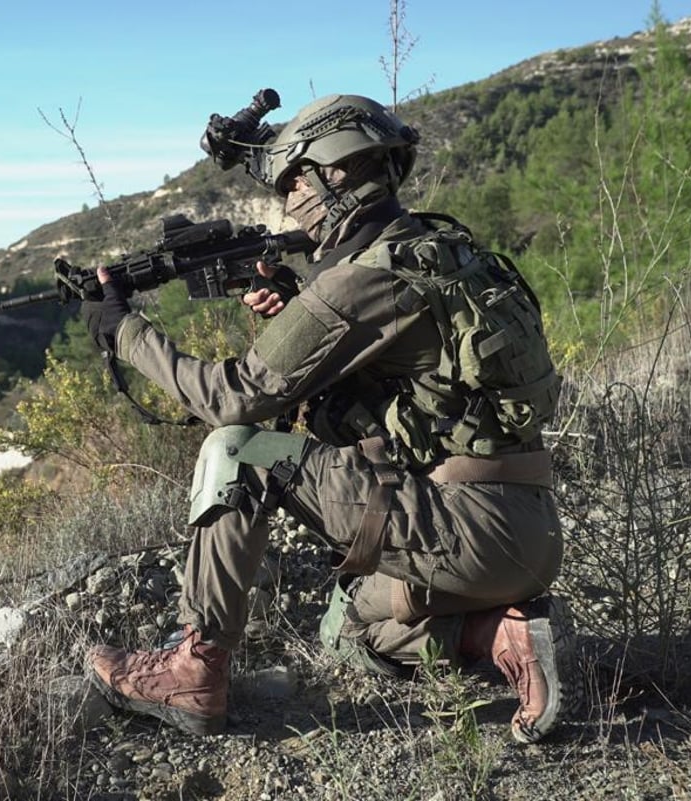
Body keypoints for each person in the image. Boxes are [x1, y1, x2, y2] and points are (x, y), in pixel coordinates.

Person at [79, 92, 574, 744]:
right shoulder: (441, 250)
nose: (290, 203)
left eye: (294, 183)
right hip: (530, 533)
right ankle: (502, 633)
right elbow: (412, 395)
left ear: (334, 173)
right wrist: (296, 306)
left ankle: (191, 667)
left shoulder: (357, 282)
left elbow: (235, 398)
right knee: (349, 627)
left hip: (464, 527)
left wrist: (124, 331)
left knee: (237, 451)